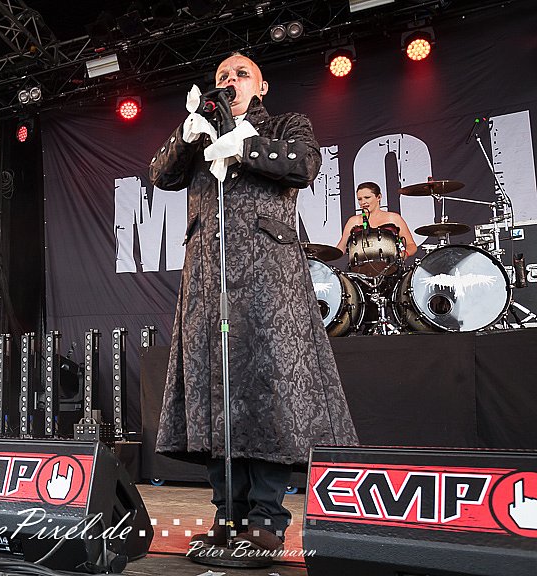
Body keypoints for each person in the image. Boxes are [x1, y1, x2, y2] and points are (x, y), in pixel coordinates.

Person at [149, 53, 358, 557]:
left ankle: (267, 517)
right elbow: (161, 174)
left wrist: (244, 146)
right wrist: (188, 134)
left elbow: (304, 165)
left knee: (268, 389)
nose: (230, 81)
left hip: (268, 279)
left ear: (261, 88)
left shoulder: (286, 125)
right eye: (223, 76)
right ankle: (228, 513)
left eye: (242, 74)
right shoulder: (200, 134)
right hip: (208, 280)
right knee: (216, 390)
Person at [336, 181, 418, 260]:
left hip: (391, 266)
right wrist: (329, 253)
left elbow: (411, 245)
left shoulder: (393, 218)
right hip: (360, 268)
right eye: (359, 199)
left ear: (379, 197)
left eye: (367, 198)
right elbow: (341, 248)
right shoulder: (353, 221)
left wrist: (405, 253)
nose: (363, 202)